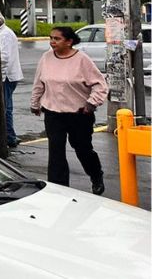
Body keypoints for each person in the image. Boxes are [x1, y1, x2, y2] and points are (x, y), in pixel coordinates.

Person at [30, 25, 108, 194]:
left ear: (69, 41)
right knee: (56, 151)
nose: (52, 42)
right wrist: (35, 103)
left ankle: (96, 175)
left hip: (79, 114)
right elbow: (39, 83)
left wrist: (91, 103)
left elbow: (100, 85)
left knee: (83, 149)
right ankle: (58, 189)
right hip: (53, 113)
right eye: (51, 38)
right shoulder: (46, 58)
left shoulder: (82, 60)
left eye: (57, 39)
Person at [0, 13, 23, 148]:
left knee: (5, 108)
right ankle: (9, 135)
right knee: (7, 107)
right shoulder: (3, 33)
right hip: (8, 76)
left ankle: (9, 137)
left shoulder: (5, 35)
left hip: (6, 76)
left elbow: (4, 57)